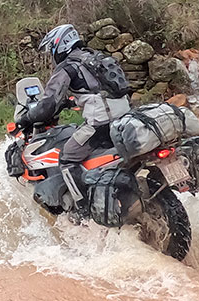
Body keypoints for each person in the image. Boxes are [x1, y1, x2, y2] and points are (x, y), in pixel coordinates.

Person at [17, 24, 131, 208]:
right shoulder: (98, 58)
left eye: (51, 50)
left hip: (100, 125)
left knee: (67, 157)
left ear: (59, 45)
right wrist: (71, 101)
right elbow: (100, 90)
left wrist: (27, 117)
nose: (52, 55)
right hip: (125, 120)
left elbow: (47, 106)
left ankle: (82, 207)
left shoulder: (67, 67)